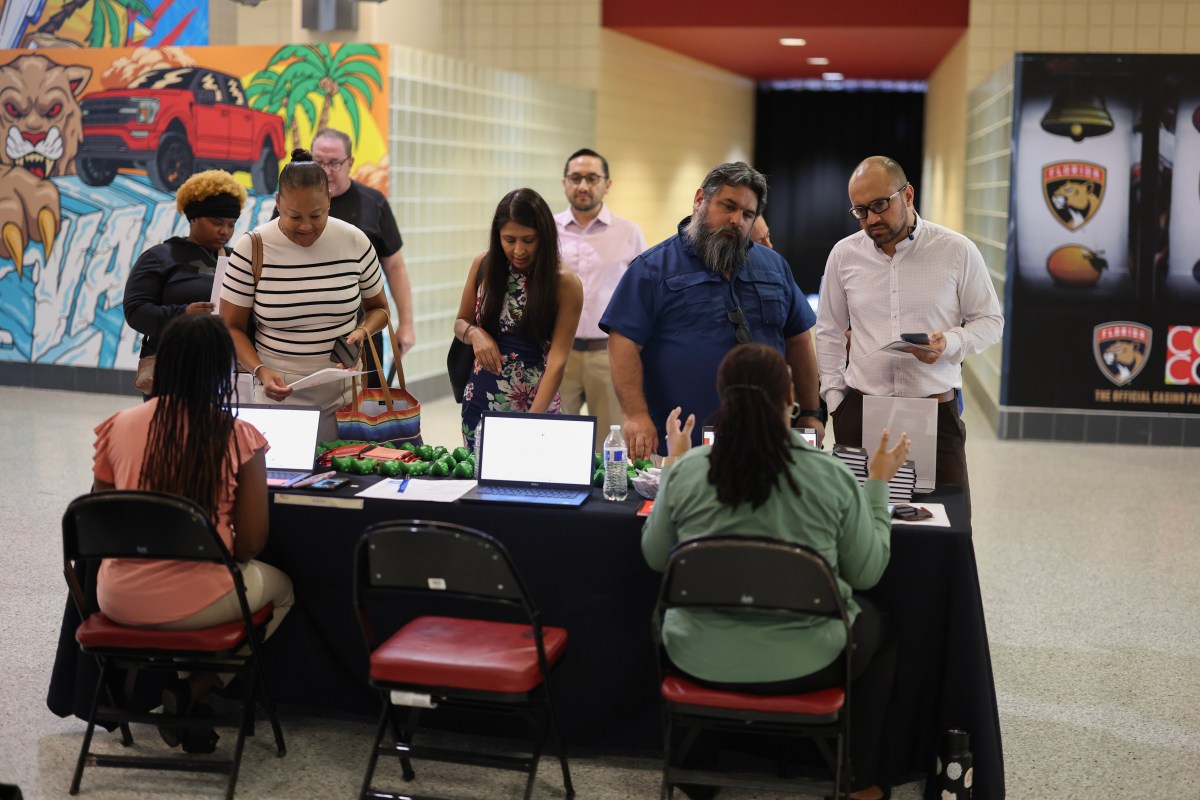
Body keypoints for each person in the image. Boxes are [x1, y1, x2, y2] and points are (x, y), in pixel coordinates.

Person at [642, 344, 910, 800]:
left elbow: (655, 557)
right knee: (884, 625)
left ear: (723, 397)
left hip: (697, 657)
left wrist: (673, 466)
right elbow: (866, 575)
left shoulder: (688, 471)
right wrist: (879, 484)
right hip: (811, 662)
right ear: (791, 397)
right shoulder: (831, 476)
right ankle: (856, 780)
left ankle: (693, 771)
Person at [91, 313, 294, 754]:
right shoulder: (238, 436)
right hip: (198, 600)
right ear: (222, 371)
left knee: (201, 588)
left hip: (116, 598)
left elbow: (100, 521)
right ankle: (196, 688)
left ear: (162, 364)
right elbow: (249, 544)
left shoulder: (118, 425)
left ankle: (195, 717)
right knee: (281, 591)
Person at [600, 162, 824, 459]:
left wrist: (810, 412)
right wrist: (635, 415)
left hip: (766, 439)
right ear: (699, 200)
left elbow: (799, 340)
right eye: (728, 207)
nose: (736, 220)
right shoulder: (652, 269)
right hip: (681, 443)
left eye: (747, 214)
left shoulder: (774, 267)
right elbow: (622, 342)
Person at [814, 156, 1003, 507]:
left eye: (879, 205)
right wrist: (836, 400)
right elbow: (828, 331)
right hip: (860, 410)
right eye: (860, 211)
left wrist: (950, 343)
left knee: (947, 525)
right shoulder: (843, 255)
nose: (871, 219)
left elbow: (991, 321)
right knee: (860, 525)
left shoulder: (956, 250)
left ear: (908, 195)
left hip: (935, 413)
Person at [220, 148, 389, 442]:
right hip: (278, 395)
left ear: (329, 201)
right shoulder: (253, 248)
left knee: (342, 470)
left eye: (316, 215)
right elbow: (230, 326)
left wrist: (363, 331)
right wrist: (260, 370)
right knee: (282, 470)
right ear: (278, 203)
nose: (306, 226)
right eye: (294, 216)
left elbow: (380, 310)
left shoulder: (355, 241)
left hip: (345, 398)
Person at [453, 188, 583, 448]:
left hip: (536, 403)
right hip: (480, 400)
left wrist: (531, 422)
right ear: (497, 236)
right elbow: (461, 322)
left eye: (529, 240)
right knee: (476, 471)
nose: (519, 250)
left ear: (544, 237)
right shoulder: (484, 265)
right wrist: (475, 334)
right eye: (509, 240)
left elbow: (557, 361)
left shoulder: (564, 283)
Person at [123, 169, 247, 396]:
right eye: (216, 222)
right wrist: (183, 314)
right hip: (173, 372)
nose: (225, 231)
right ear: (193, 218)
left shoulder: (236, 260)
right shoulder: (159, 257)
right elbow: (136, 311)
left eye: (231, 224)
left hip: (225, 371)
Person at [554, 148, 646, 449]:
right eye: (575, 178)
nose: (583, 186)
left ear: (607, 184)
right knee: (555, 441)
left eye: (592, 178)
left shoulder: (629, 232)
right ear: (565, 183)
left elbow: (642, 296)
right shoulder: (548, 230)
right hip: (557, 353)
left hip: (608, 355)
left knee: (611, 444)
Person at [310, 128, 416, 380]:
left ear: (350, 163)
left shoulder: (373, 203)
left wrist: (406, 324)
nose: (326, 171)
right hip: (308, 328)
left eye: (334, 163)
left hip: (364, 325)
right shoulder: (297, 204)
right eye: (318, 162)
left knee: (367, 397)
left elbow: (395, 266)